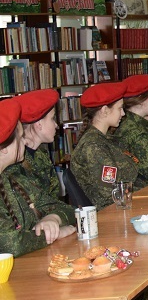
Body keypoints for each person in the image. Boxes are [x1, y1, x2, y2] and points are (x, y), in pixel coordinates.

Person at [0, 98, 77, 256]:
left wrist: (53, 218)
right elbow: (11, 244)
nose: (25, 141)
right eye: (20, 137)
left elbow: (64, 208)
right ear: (4, 149)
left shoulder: (12, 179)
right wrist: (54, 234)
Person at [71, 82, 138, 209]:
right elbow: (110, 193)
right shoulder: (93, 146)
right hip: (113, 211)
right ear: (105, 110)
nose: (123, 113)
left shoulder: (103, 139)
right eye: (119, 108)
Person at [17, 89, 61, 198]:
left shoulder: (41, 154)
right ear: (39, 124)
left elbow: (54, 195)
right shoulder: (16, 160)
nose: (56, 125)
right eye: (52, 119)